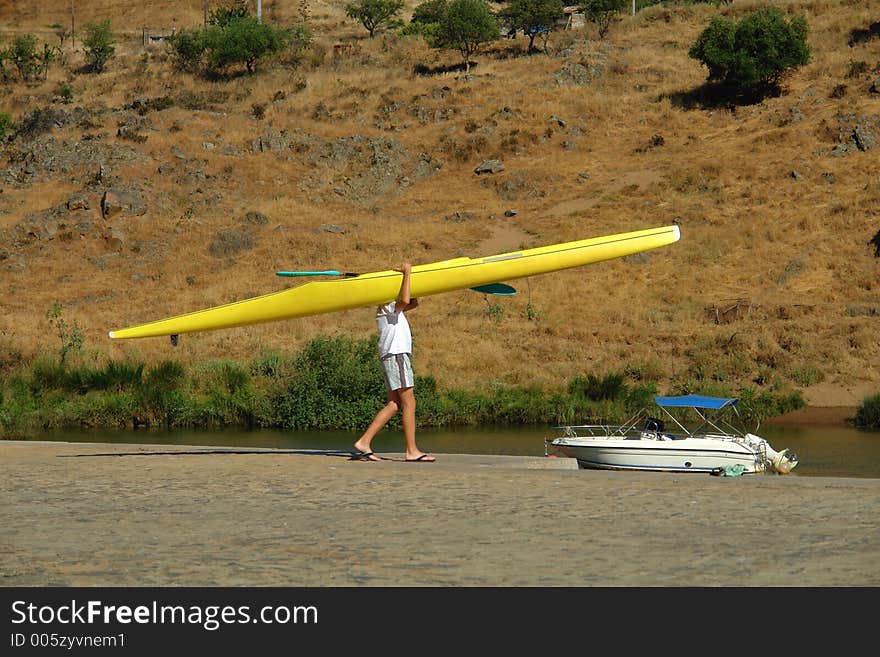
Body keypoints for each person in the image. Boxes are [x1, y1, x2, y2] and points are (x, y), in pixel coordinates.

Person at [352, 262, 435, 463]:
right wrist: (407, 272)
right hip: (396, 354)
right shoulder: (386, 306)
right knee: (409, 401)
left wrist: (417, 281)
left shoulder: (393, 309)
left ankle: (364, 441)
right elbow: (405, 299)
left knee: (395, 404)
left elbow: (413, 302)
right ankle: (411, 450)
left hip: (393, 355)